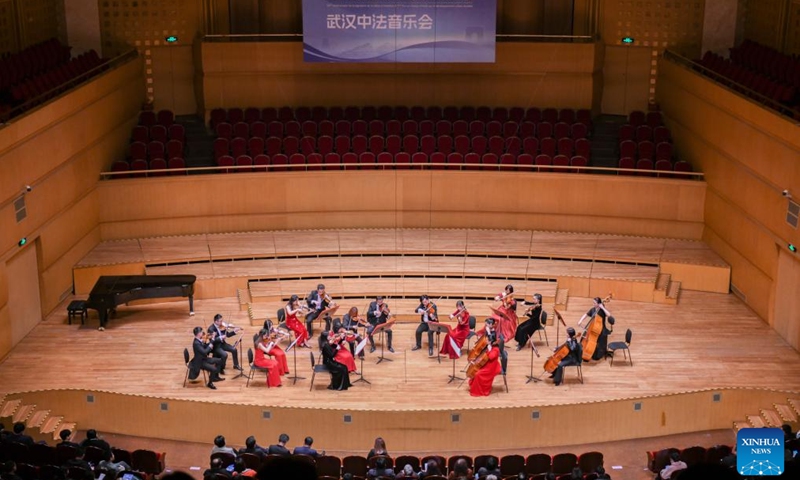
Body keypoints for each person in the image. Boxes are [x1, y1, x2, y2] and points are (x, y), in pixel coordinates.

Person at [468, 318, 503, 397]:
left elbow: (490, 357)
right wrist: (476, 361)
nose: (486, 341)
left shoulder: (495, 349)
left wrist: (489, 350)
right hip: (487, 363)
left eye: (487, 340)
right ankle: (475, 387)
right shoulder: (490, 346)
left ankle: (480, 391)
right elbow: (484, 357)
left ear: (490, 341)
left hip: (492, 367)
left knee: (478, 374)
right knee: (477, 371)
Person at [577, 296, 612, 361]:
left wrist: (602, 307)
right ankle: (583, 351)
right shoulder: (593, 309)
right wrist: (580, 321)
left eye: (594, 303)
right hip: (593, 327)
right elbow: (586, 314)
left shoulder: (602, 310)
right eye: (593, 303)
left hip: (601, 329)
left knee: (598, 340)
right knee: (584, 336)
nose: (593, 304)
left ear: (598, 304)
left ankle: (596, 354)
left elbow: (609, 315)